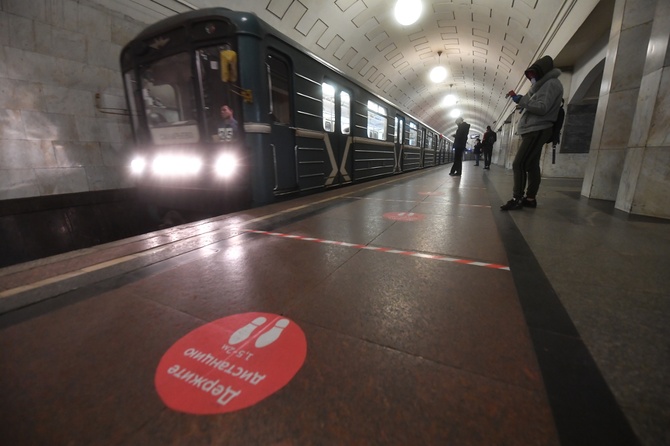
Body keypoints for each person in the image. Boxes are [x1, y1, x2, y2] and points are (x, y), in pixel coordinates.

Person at [501, 55, 563, 210]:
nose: (531, 79)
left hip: (538, 129)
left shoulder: (551, 84)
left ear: (542, 72)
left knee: (519, 164)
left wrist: (523, 101)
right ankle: (530, 199)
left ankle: (517, 198)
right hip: (534, 129)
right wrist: (524, 101)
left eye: (533, 76)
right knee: (532, 165)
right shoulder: (543, 86)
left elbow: (542, 108)